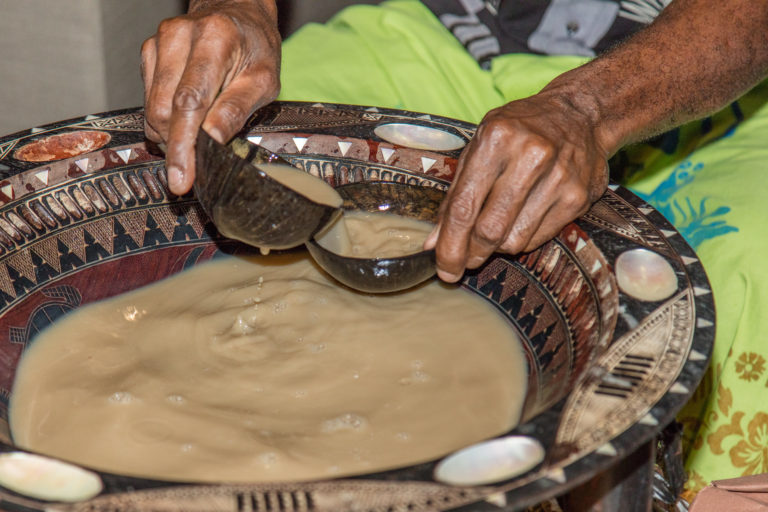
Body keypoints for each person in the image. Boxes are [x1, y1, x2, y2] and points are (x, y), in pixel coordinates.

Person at [141, 0, 768, 500]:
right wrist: (236, 6)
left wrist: (586, 109)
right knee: (227, 138)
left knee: (735, 277)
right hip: (463, 29)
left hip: (713, 72)